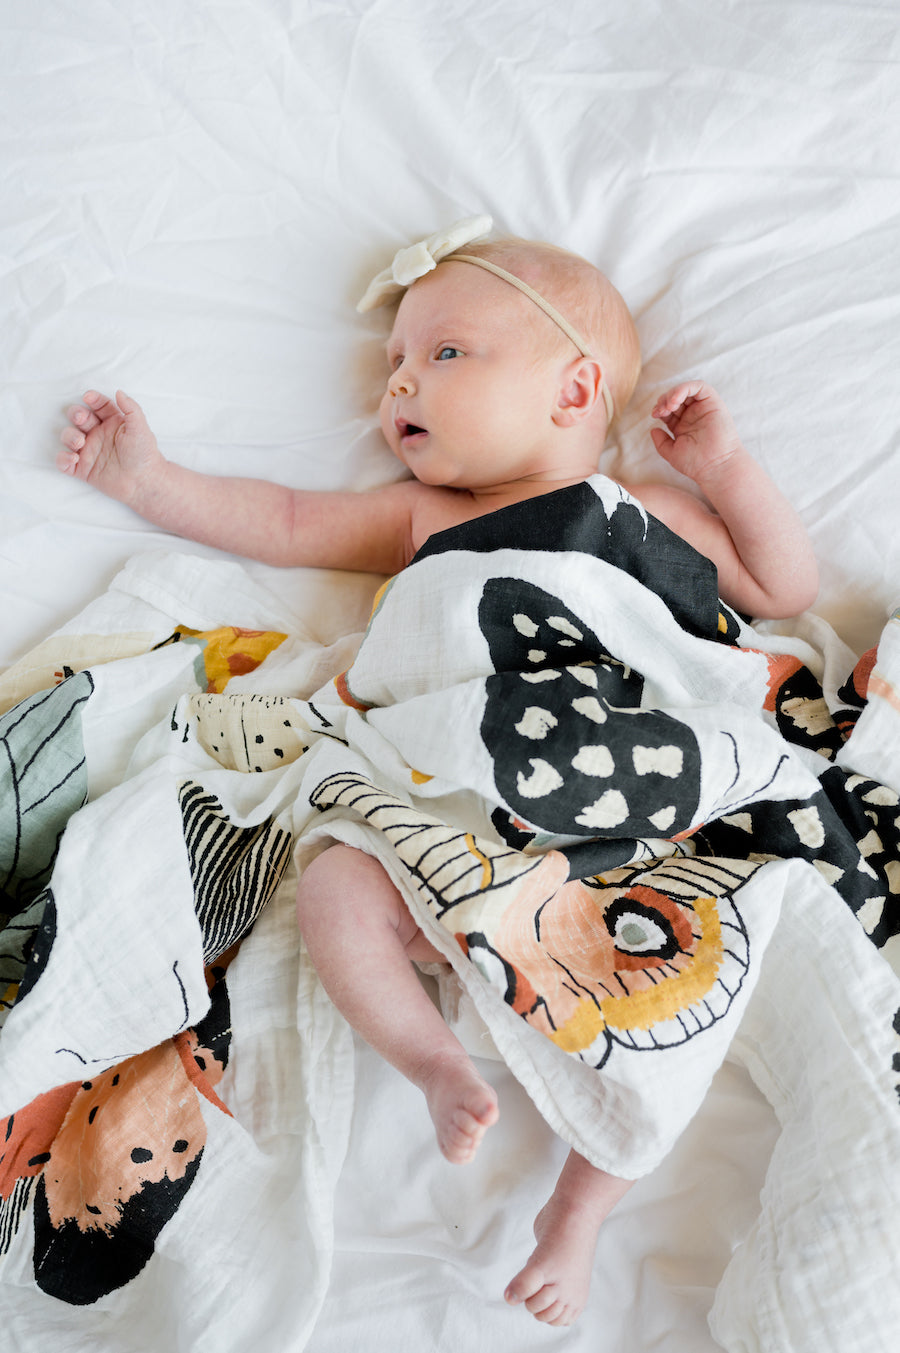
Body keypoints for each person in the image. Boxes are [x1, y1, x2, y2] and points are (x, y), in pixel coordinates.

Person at [57, 222, 818, 1326]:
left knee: (689, 989)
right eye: (393, 367)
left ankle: (581, 1210)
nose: (400, 383)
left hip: (627, 818)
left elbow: (779, 587)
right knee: (334, 882)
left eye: (443, 354)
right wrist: (150, 479)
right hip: (457, 819)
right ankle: (429, 1063)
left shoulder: (648, 513)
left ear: (575, 389)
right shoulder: (426, 519)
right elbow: (280, 520)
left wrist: (725, 470)